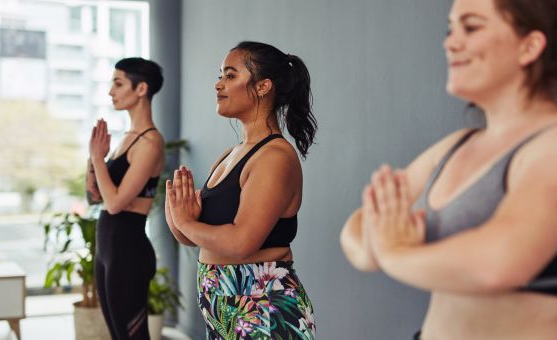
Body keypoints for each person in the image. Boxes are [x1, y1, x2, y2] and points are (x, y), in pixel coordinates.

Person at [341, 0, 557, 338]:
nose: (450, 43)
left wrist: (393, 252)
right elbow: (357, 226)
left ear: (529, 46)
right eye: (450, 29)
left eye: (471, 28)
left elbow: (497, 265)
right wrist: (375, 248)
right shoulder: (456, 145)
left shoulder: (549, 146)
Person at [165, 41, 317, 339]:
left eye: (230, 76)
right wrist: (179, 216)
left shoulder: (274, 156)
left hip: (264, 309)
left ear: (263, 86)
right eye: (220, 75)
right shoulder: (230, 154)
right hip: (222, 305)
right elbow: (195, 238)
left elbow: (239, 243)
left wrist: (187, 223)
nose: (218, 84)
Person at [86, 57, 165, 340]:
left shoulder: (150, 142)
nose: (111, 91)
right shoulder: (126, 140)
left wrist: (98, 158)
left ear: (141, 88)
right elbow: (95, 198)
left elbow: (116, 203)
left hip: (128, 252)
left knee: (133, 337)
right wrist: (94, 157)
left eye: (118, 83)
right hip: (108, 249)